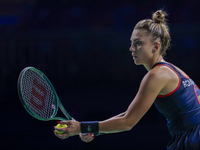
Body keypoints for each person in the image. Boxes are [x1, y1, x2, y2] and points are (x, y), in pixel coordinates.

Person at [54, 10, 200, 149]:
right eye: (131, 43)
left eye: (138, 43)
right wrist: (91, 128)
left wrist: (81, 127)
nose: (131, 48)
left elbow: (128, 122)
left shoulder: (156, 75)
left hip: (193, 137)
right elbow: (129, 113)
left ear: (156, 46)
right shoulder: (169, 69)